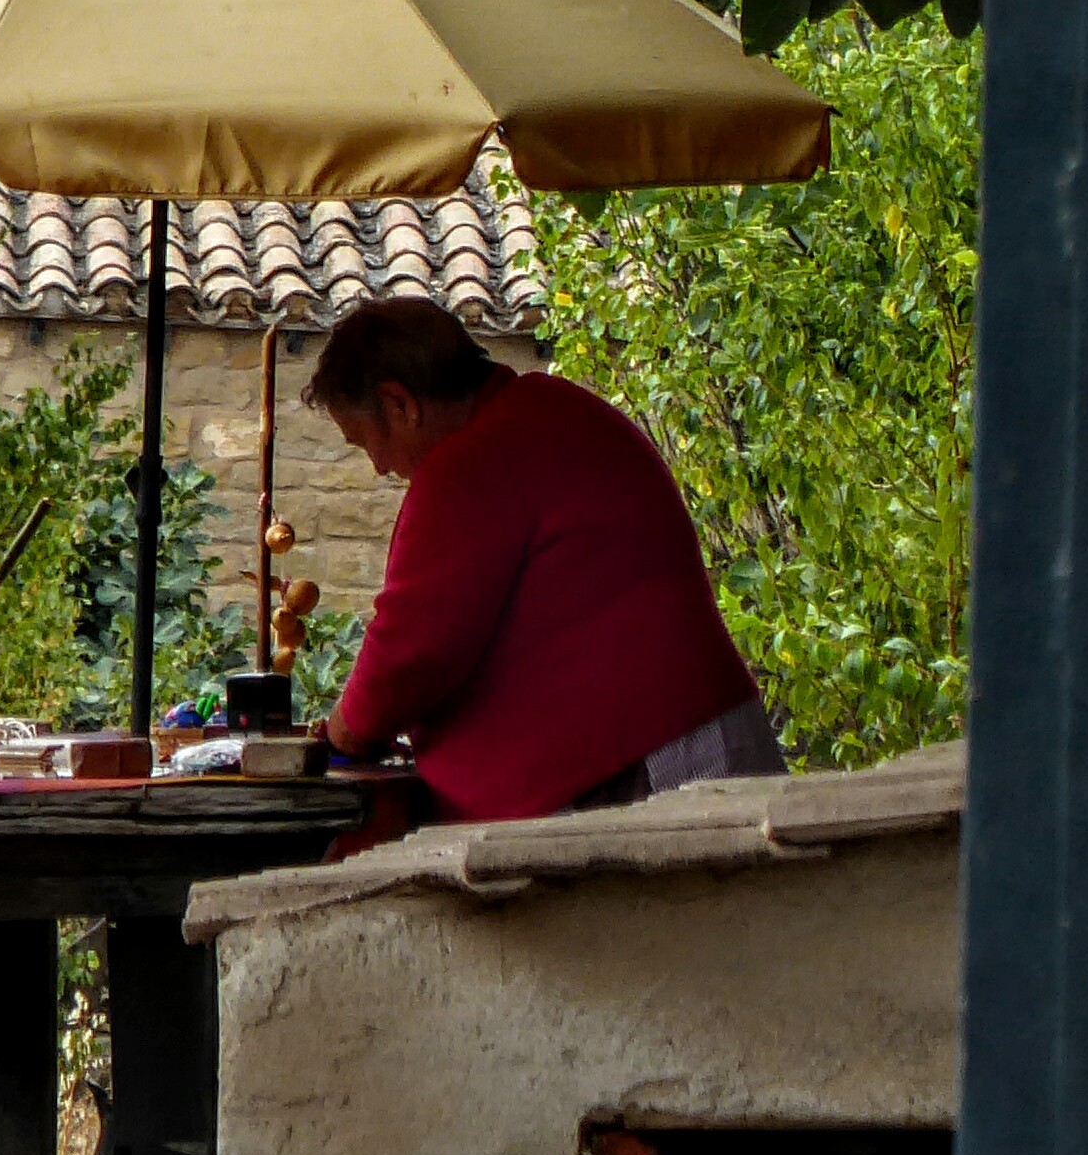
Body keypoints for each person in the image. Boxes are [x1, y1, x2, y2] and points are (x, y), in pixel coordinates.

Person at [309, 296, 781, 820]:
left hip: (654, 766)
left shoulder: (473, 464)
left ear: (400, 404)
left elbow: (411, 651)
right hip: (689, 743)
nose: (378, 467)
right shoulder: (552, 410)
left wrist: (341, 735)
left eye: (367, 442)